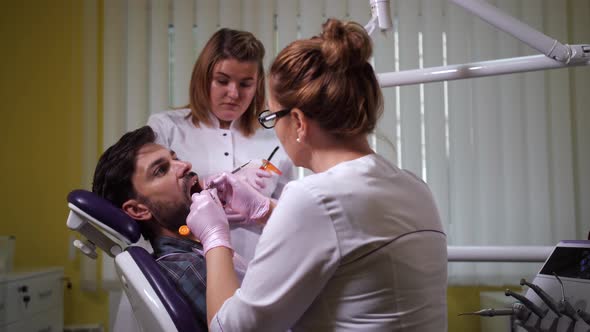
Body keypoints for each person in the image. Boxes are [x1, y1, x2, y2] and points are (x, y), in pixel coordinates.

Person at [187, 19, 449, 331]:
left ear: (297, 121)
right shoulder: (413, 186)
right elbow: (347, 237)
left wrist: (214, 237)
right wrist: (266, 211)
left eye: (271, 116)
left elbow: (229, 329)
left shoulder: (312, 197)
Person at [148, 28, 295, 263]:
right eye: (222, 81)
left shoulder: (274, 139)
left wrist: (262, 207)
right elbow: (148, 199)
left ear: (257, 86)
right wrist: (210, 184)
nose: (233, 93)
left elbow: (291, 216)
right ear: (204, 77)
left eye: (246, 84)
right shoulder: (166, 128)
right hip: (183, 267)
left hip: (255, 270)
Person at [92, 125, 246, 330]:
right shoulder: (188, 268)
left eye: (175, 158)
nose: (184, 165)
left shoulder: (194, 252)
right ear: (138, 210)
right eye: (161, 170)